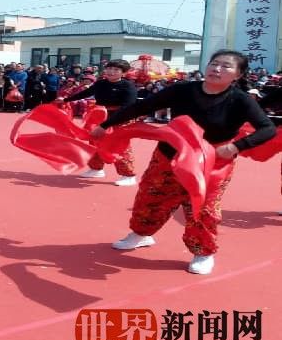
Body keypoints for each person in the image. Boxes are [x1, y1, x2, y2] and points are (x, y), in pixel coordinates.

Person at [92, 50, 276, 275]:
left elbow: (267, 128)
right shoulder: (182, 90)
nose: (217, 69)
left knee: (203, 209)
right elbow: (141, 107)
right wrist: (105, 125)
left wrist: (236, 147)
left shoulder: (241, 100)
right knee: (150, 198)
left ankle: (203, 252)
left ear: (237, 75)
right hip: (169, 156)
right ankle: (141, 234)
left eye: (226, 66)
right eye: (214, 63)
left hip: (212, 162)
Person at [63, 59, 139, 186]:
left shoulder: (128, 86)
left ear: (124, 73)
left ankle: (128, 175)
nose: (111, 72)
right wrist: (66, 100)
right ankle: (96, 169)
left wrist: (109, 123)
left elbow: (128, 107)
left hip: (119, 118)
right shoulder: (101, 83)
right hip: (100, 116)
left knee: (119, 147)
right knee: (95, 143)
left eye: (116, 70)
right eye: (109, 68)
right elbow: (86, 93)